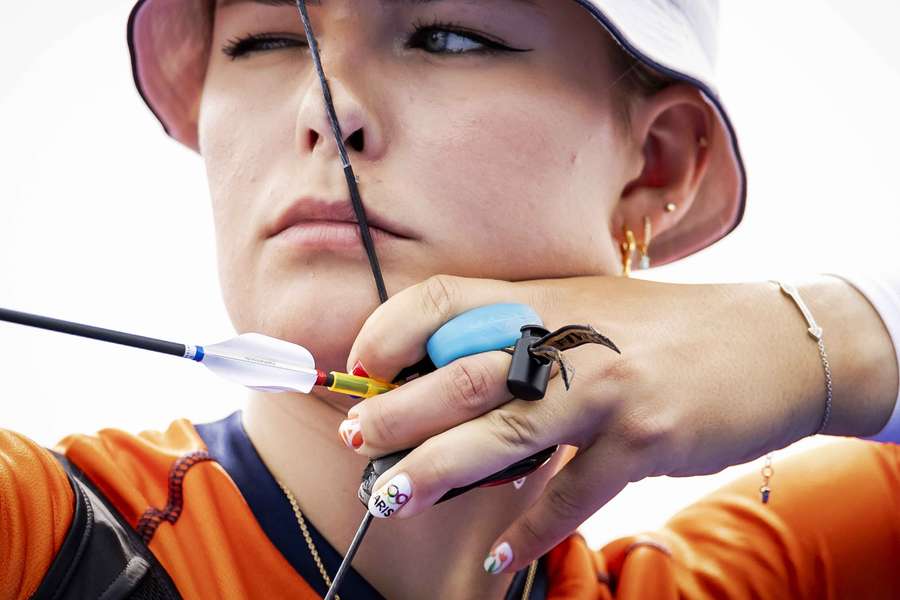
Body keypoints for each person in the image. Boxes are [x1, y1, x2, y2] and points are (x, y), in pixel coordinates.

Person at [2, 0, 899, 598]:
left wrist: (814, 340)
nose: (326, 110)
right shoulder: (36, 532)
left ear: (652, 165)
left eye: (448, 34)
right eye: (263, 38)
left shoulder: (759, 569)